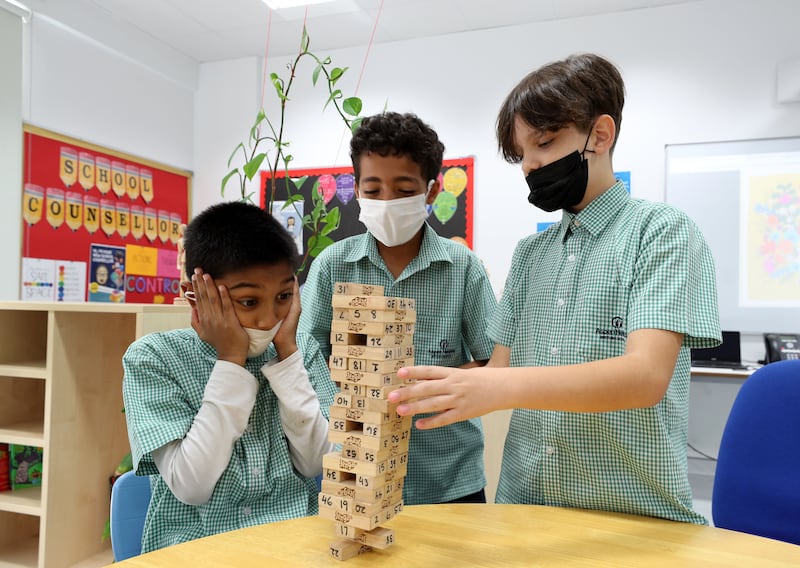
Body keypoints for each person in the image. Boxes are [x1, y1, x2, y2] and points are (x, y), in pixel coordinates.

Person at [388, 54, 721, 524]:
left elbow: (646, 377)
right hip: (524, 507)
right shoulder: (530, 254)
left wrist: (496, 384)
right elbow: (500, 369)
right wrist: (427, 387)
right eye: (521, 154)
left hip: (631, 515)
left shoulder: (661, 232)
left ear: (599, 136)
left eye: (543, 143)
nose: (530, 165)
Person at [298, 111, 498, 504]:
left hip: (448, 475)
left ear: (431, 190)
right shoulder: (331, 266)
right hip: (356, 469)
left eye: (404, 189)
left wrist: (438, 386)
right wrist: (341, 401)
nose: (387, 201)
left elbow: (493, 360)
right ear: (356, 189)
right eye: (373, 190)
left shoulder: (463, 269)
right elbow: (308, 349)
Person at [122, 201, 337, 552]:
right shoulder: (153, 358)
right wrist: (231, 360)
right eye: (248, 302)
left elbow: (317, 462)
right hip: (198, 551)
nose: (269, 320)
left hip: (295, 546)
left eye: (283, 296)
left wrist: (287, 357)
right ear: (194, 297)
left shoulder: (302, 351)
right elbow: (192, 485)